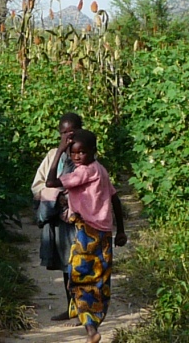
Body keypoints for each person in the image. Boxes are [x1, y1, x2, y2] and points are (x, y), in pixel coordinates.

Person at [45, 130, 127, 343]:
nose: (77, 156)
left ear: (93, 152)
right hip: (105, 235)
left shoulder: (83, 173)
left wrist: (60, 150)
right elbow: (115, 199)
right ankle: (94, 323)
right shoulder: (101, 170)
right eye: (73, 153)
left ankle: (90, 328)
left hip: (86, 234)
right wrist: (121, 230)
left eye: (82, 152)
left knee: (79, 279)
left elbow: (51, 182)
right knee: (100, 280)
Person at [30, 113, 82, 321]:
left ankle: (84, 309)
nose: (68, 137)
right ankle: (71, 306)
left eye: (72, 132)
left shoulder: (84, 154)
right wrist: (56, 196)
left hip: (79, 220)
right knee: (65, 265)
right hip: (59, 221)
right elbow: (38, 185)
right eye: (64, 133)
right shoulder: (53, 155)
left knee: (80, 265)